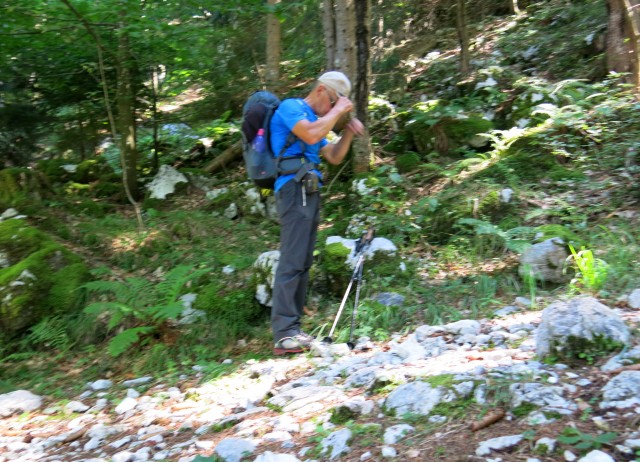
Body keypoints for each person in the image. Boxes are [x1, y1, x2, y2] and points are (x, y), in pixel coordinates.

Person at [270, 71, 365, 355]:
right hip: (292, 189)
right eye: (333, 100)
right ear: (322, 91)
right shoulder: (291, 107)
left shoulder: (315, 120)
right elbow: (311, 133)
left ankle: (293, 329)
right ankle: (284, 332)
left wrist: (347, 131)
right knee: (292, 257)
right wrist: (338, 112)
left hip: (309, 190)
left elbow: (334, 156)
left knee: (303, 260)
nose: (334, 108)